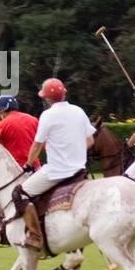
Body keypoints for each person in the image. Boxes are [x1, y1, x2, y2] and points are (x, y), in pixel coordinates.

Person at [12, 78, 95, 247]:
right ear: (64, 93)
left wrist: (29, 164)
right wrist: (75, 154)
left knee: (19, 193)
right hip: (79, 170)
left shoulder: (48, 115)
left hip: (57, 172)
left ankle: (35, 237)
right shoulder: (78, 111)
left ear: (46, 99)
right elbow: (90, 141)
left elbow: (37, 144)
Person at [0, 94, 39, 170]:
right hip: (35, 167)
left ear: (4, 110)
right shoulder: (33, 120)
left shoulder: (2, 124)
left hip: (14, 169)